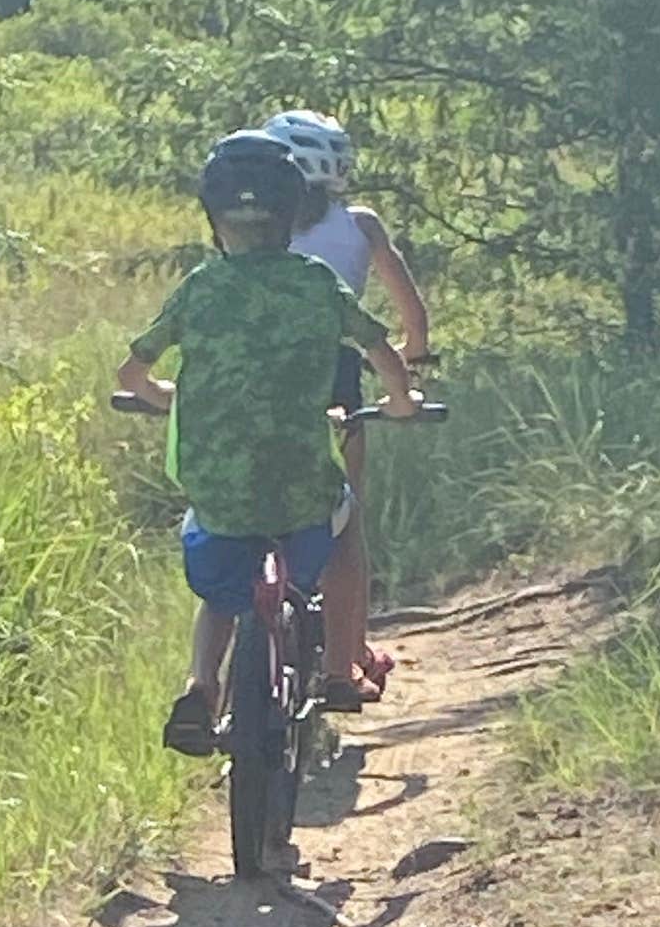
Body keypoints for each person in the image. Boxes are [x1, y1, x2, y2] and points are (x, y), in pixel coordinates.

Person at [120, 131, 417, 756]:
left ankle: (202, 685)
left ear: (214, 218)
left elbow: (132, 375)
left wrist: (171, 397)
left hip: (220, 489)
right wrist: (400, 401)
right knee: (341, 519)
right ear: (289, 212)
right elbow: (383, 353)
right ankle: (339, 662)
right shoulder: (315, 282)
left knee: (219, 582)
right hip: (300, 485)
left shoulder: (200, 287)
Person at [260, 108, 433, 708]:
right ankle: (341, 668)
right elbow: (411, 317)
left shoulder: (259, 229)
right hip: (334, 378)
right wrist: (412, 359)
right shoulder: (361, 226)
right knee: (343, 524)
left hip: (255, 380)